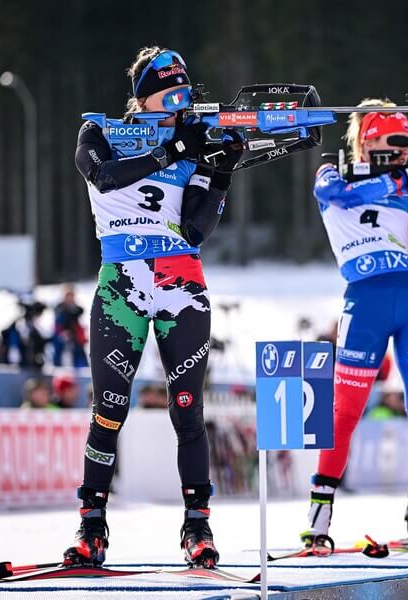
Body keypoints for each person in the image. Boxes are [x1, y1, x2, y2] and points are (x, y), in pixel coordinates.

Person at [65, 46, 241, 569]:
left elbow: (194, 228)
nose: (183, 102)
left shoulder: (191, 141)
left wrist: (220, 173)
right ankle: (91, 524)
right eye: (172, 92)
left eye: (187, 92)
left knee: (187, 410)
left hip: (179, 283)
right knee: (109, 410)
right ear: (142, 96)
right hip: (121, 282)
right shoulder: (97, 133)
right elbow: (104, 177)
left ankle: (197, 525)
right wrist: (171, 153)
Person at [302, 99, 408, 548]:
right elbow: (342, 197)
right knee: (345, 414)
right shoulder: (331, 172)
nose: (407, 150)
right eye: (398, 142)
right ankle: (318, 521)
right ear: (370, 139)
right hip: (365, 299)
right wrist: (406, 178)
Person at [53, 285, 88, 368]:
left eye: (71, 295)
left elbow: (79, 313)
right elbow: (58, 323)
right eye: (68, 295)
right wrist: (63, 332)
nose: (70, 298)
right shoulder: (60, 308)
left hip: (75, 335)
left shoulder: (77, 308)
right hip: (62, 335)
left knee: (79, 353)